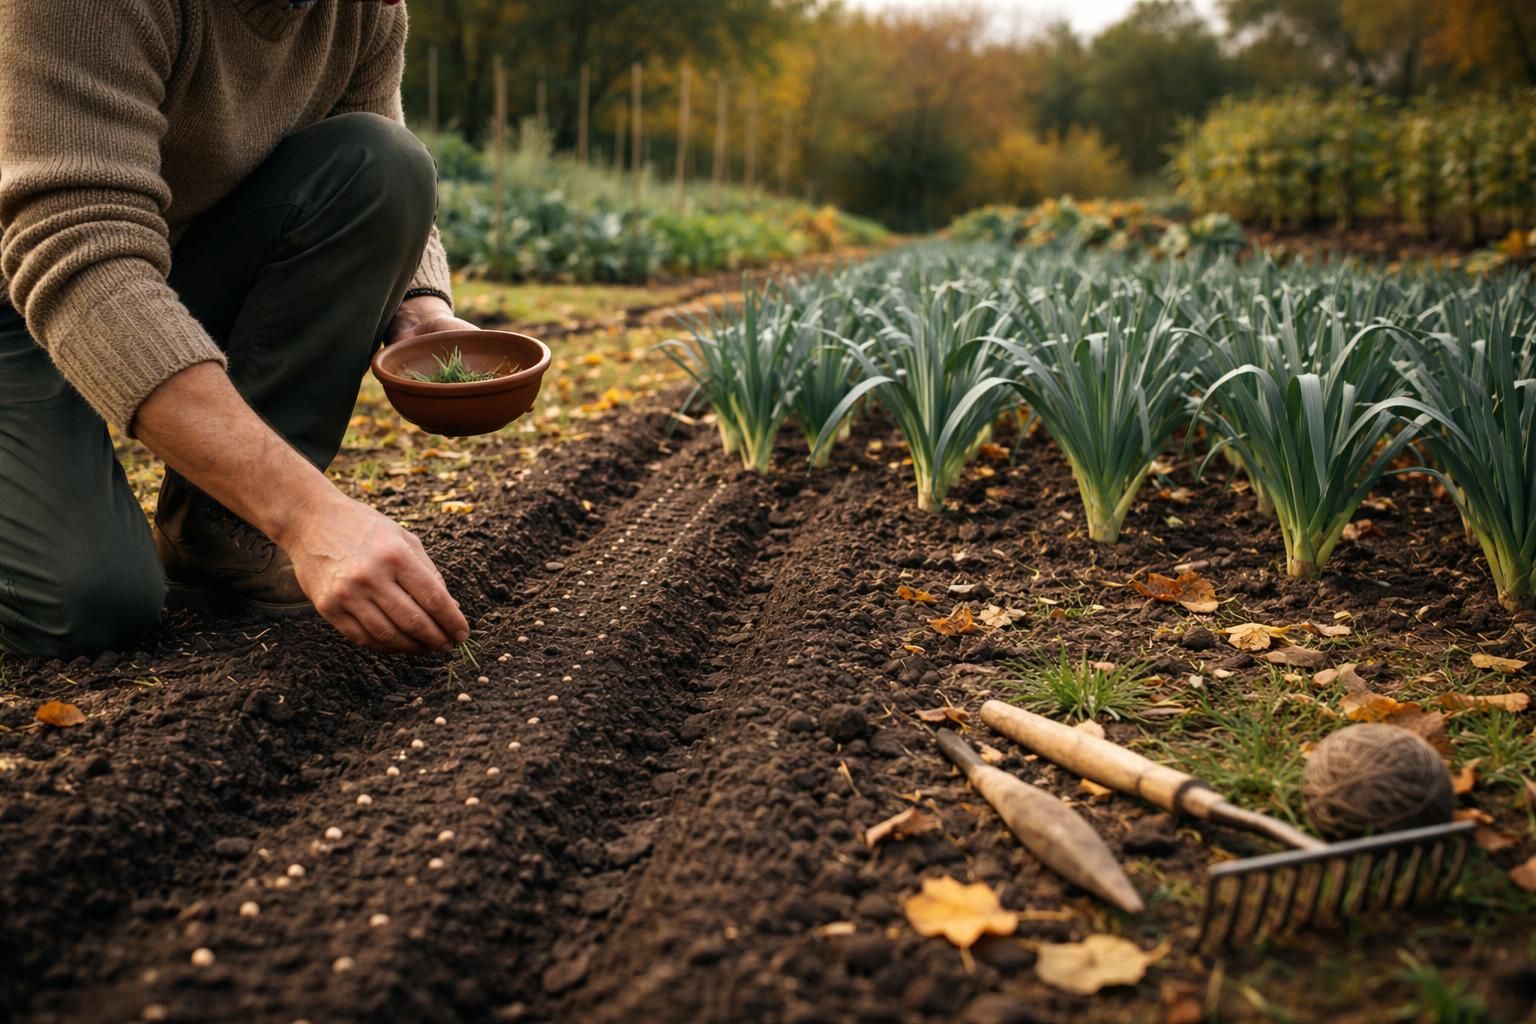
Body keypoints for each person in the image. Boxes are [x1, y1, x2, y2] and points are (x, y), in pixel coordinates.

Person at [0, 0, 472, 659]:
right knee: (89, 604)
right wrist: (309, 513)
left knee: (384, 160)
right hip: (27, 286)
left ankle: (219, 528)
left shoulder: (365, 9)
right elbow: (81, 251)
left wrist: (420, 306)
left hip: (157, 258)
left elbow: (367, 146)